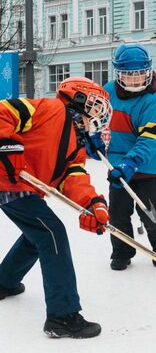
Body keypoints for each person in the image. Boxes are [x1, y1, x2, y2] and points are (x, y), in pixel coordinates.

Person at [0, 76, 112, 338]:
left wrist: (93, 204)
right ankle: (62, 316)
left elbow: (74, 178)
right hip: (8, 180)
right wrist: (7, 145)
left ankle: (4, 281)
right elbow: (4, 112)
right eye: (97, 107)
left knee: (37, 235)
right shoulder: (49, 110)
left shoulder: (76, 143)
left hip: (23, 188)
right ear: (80, 99)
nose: (99, 115)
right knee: (52, 232)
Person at [104, 42, 156, 271]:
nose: (135, 80)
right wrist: (90, 140)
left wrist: (131, 162)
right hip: (118, 165)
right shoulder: (107, 92)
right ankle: (122, 252)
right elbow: (94, 120)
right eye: (129, 75)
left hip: (147, 165)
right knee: (118, 214)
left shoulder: (151, 102)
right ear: (118, 74)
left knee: (150, 213)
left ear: (148, 71)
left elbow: (150, 139)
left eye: (141, 74)